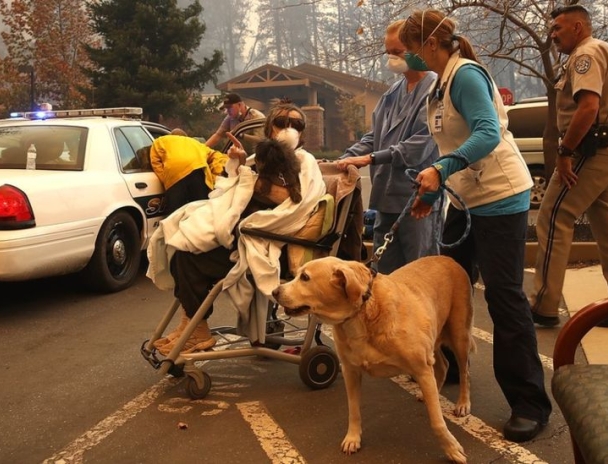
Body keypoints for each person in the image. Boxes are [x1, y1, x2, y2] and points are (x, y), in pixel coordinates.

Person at [399, 8, 552, 443]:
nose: (406, 58)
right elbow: (449, 144)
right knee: (444, 282)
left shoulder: (465, 75)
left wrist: (442, 169)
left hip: (501, 197)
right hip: (466, 199)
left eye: (409, 49)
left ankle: (529, 403)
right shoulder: (439, 84)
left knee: (504, 297)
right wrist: (432, 192)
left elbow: (486, 133)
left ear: (430, 44)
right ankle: (448, 366)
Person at [148, 102, 325, 354]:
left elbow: (295, 205)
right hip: (242, 231)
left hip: (267, 239)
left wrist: (249, 180)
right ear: (270, 128)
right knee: (179, 241)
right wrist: (240, 165)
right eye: (282, 122)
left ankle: (196, 330)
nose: (289, 128)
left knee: (188, 258)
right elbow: (228, 190)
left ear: (302, 131)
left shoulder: (304, 161)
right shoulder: (258, 158)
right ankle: (190, 324)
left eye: (296, 124)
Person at [529, 4, 608, 331]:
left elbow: (588, 107)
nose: (553, 35)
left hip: (590, 150)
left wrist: (565, 150)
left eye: (558, 28)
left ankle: (543, 305)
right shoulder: (604, 49)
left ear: (578, 27)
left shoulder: (585, 54)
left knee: (553, 216)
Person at [336, 19, 439, 275]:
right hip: (386, 200)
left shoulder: (435, 90)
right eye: (388, 52)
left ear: (417, 48)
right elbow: (375, 136)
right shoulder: (392, 94)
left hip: (416, 199)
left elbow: (419, 146)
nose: (392, 58)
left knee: (419, 273)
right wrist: (343, 159)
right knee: (383, 275)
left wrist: (370, 158)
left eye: (398, 52)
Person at [149, 128, 229, 216]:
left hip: (175, 174)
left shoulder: (160, 141)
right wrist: (217, 174)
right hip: (197, 172)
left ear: (171, 136)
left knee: (175, 213)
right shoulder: (196, 143)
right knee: (200, 209)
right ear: (186, 137)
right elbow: (216, 156)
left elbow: (155, 163)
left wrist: (166, 179)